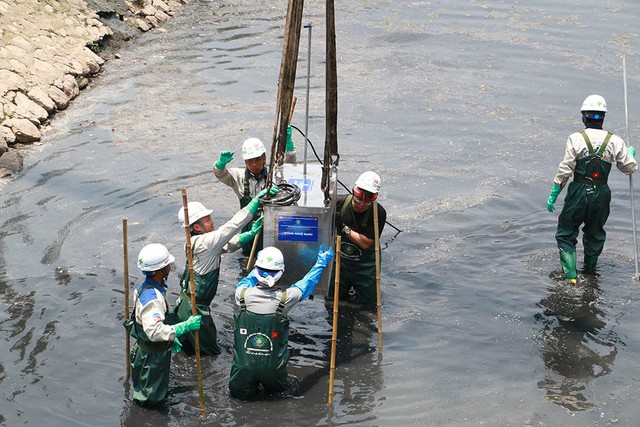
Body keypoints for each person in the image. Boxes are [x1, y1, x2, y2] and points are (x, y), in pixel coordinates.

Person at [173, 187, 277, 356]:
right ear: (197, 227)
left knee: (188, 354)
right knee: (210, 354)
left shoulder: (195, 242)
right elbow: (232, 226)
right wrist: (255, 202)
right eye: (207, 220)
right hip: (195, 309)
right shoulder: (206, 242)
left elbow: (227, 245)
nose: (212, 222)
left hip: (184, 305)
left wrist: (250, 233)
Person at [547, 94, 637, 282]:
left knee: (565, 233)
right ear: (603, 117)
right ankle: (590, 272)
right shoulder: (615, 141)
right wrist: (630, 155)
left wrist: (555, 192)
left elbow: (566, 168)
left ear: (583, 116)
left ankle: (571, 278)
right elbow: (628, 168)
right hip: (602, 194)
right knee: (595, 234)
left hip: (578, 191)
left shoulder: (576, 139)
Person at [228, 245, 334, 400]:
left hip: (243, 368)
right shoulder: (285, 300)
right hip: (273, 369)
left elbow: (248, 279)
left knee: (238, 400)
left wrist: (259, 263)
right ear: (281, 273)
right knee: (279, 397)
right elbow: (307, 283)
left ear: (257, 269)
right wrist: (321, 263)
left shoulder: (241, 295)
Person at [124, 243, 202, 406]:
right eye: (167, 265)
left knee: (144, 392)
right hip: (152, 358)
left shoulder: (144, 289)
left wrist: (170, 339)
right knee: (152, 401)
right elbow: (155, 332)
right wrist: (184, 327)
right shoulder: (153, 299)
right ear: (160, 271)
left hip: (144, 353)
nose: (170, 268)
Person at [213, 135, 296, 255]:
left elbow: (291, 168)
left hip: (272, 227)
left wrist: (290, 149)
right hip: (249, 229)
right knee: (247, 257)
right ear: (245, 162)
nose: (254, 165)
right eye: (250, 161)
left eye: (257, 160)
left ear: (264, 159)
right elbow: (221, 174)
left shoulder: (275, 176)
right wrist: (220, 164)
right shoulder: (238, 176)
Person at [327, 171, 387, 308]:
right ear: (354, 191)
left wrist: (343, 228)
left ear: (374, 198)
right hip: (341, 264)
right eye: (359, 197)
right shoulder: (339, 203)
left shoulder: (378, 213)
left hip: (365, 268)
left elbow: (366, 243)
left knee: (367, 306)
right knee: (332, 301)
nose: (361, 203)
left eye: (367, 199)